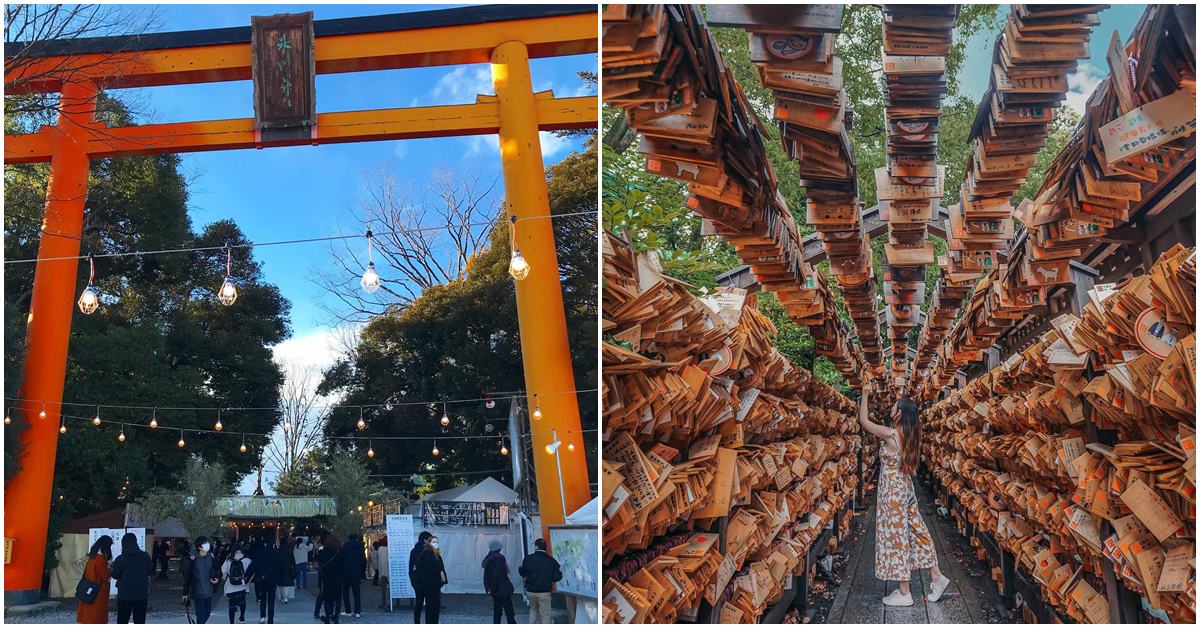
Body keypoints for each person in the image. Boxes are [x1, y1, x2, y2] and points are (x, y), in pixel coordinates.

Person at [857, 382, 951, 606]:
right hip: (905, 487)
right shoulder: (910, 435)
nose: (890, 408)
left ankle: (904, 591)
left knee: (896, 535)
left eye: (894, 407)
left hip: (892, 491)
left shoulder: (891, 434)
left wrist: (865, 394)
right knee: (916, 529)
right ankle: (936, 576)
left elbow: (864, 421)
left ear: (898, 413)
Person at [110, 533, 152, 624]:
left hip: (124, 594)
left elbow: (115, 575)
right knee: (140, 620)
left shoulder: (121, 559)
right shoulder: (145, 556)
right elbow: (150, 571)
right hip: (141, 593)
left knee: (122, 620)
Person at [519, 538, 561, 624]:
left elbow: (522, 573)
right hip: (544, 592)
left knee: (533, 610)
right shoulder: (551, 560)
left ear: (536, 547)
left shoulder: (528, 558)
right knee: (545, 614)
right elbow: (557, 577)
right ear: (546, 548)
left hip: (530, 591)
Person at [181, 536, 220, 624]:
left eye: (207, 543)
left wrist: (217, 578)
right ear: (199, 547)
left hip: (209, 591)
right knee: (201, 617)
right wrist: (185, 593)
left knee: (207, 613)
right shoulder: (193, 559)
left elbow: (217, 569)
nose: (207, 545)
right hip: (198, 592)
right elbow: (188, 577)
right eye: (204, 544)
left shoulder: (212, 556)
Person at [411, 534, 446, 624]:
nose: (436, 544)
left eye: (437, 542)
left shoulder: (435, 553)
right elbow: (429, 567)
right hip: (430, 584)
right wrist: (440, 572)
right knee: (432, 607)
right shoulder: (428, 553)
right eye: (433, 542)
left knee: (432, 607)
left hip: (432, 584)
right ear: (428, 542)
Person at [77, 535, 113, 624]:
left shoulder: (92, 557)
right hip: (98, 591)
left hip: (89, 587)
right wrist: (111, 567)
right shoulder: (100, 560)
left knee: (88, 613)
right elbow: (105, 576)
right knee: (97, 615)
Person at [482, 539, 516, 624]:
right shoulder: (499, 559)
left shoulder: (489, 558)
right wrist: (492, 588)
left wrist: (489, 589)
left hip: (495, 591)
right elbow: (497, 575)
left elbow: (486, 576)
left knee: (497, 611)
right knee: (509, 612)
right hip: (502, 589)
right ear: (498, 548)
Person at [246, 539, 280, 623]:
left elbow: (254, 565)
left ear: (265, 544)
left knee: (263, 598)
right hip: (272, 578)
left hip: (262, 578)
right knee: (271, 600)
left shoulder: (260, 552)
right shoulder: (276, 553)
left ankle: (262, 616)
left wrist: (247, 576)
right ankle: (270, 620)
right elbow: (279, 567)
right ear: (273, 544)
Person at [316, 534, 344, 624]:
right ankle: (336, 615)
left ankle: (328, 615)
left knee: (328, 597)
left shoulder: (323, 552)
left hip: (327, 577)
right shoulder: (340, 552)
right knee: (338, 598)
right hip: (338, 577)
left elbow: (318, 560)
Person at [222, 546, 251, 624]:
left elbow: (223, 571)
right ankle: (242, 618)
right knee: (242, 602)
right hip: (242, 585)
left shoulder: (229, 559)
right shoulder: (247, 560)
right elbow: (250, 572)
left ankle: (231, 622)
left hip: (231, 585)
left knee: (231, 604)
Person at [341, 534, 365, 618]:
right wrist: (362, 573)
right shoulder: (360, 547)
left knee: (346, 593)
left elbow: (341, 559)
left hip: (346, 573)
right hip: (356, 573)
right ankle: (357, 611)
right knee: (356, 593)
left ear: (349, 539)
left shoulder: (345, 546)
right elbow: (363, 561)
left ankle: (348, 610)